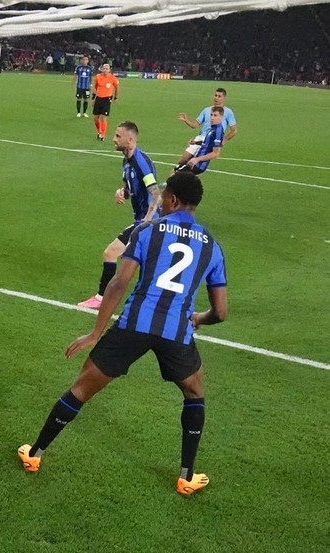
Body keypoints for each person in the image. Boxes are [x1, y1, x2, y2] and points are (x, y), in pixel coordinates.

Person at [18, 171, 228, 497]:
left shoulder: (148, 231)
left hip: (133, 325)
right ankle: (186, 475)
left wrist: (95, 332)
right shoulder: (213, 247)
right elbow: (221, 312)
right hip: (175, 333)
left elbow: (118, 283)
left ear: (171, 200)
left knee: (82, 388)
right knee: (194, 391)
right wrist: (198, 318)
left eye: (163, 198)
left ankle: (35, 455)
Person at [77, 121, 161, 309]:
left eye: (117, 136)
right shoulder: (127, 160)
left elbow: (156, 195)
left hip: (150, 222)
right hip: (146, 222)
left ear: (130, 139)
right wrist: (122, 191)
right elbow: (130, 186)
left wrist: (146, 222)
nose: (113, 140)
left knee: (111, 252)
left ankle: (101, 298)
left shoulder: (141, 163)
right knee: (145, 267)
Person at [176, 87, 237, 162]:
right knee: (181, 162)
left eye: (219, 96)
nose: (216, 98)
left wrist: (224, 139)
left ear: (224, 98)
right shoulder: (206, 110)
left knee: (195, 166)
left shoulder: (228, 112)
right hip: (200, 138)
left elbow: (234, 130)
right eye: (215, 95)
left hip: (211, 141)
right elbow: (194, 125)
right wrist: (186, 120)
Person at [173, 106, 225, 175]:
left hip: (198, 165)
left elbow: (215, 154)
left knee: (176, 175)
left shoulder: (218, 131)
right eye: (211, 115)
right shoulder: (213, 128)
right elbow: (207, 143)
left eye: (215, 115)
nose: (212, 118)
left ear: (221, 117)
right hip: (196, 160)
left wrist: (197, 159)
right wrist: (195, 142)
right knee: (177, 170)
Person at [91, 63, 119, 141]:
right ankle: (99, 131)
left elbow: (117, 87)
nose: (105, 70)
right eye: (104, 68)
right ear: (102, 69)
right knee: (96, 118)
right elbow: (95, 87)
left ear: (109, 70)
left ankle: (103, 135)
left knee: (103, 117)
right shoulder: (98, 77)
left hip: (107, 99)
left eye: (107, 69)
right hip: (98, 98)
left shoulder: (112, 78)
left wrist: (116, 97)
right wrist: (93, 98)